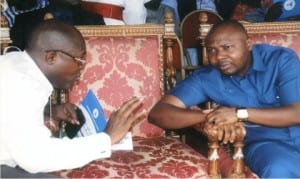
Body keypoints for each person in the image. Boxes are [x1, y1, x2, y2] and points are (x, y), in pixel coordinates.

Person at [148, 20, 300, 178]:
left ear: (248, 44)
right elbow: (158, 114)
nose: (219, 57)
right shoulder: (208, 78)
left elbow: (297, 113)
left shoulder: (280, 59)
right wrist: (211, 117)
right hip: (267, 146)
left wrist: (239, 113)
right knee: (279, 169)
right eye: (212, 50)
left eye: (227, 47)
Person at [0, 19, 146, 177]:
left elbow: (10, 115)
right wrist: (107, 139)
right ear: (51, 57)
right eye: (79, 61)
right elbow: (36, 157)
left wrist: (51, 111)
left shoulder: (15, 63)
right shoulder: (23, 85)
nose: (82, 69)